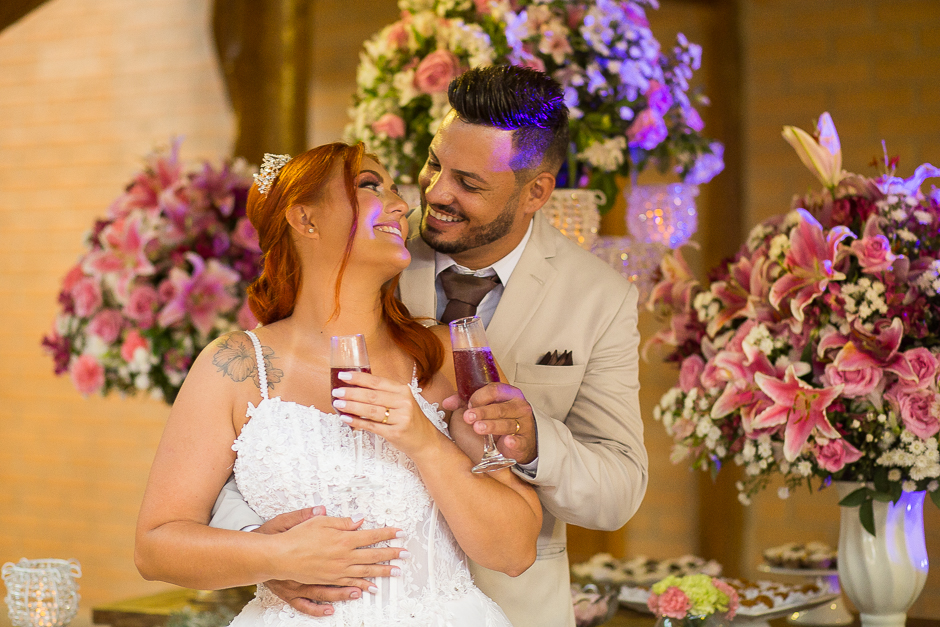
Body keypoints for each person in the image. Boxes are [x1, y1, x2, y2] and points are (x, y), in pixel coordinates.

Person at [212, 65, 649, 627]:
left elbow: (618, 491)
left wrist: (534, 438)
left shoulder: (599, 298)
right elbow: (250, 429)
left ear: (535, 191)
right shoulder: (364, 249)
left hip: (513, 606)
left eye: (469, 183)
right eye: (435, 163)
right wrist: (265, 551)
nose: (435, 193)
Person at [135, 142, 543, 626]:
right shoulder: (235, 366)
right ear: (305, 220)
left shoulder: (448, 358)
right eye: (371, 186)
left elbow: (515, 552)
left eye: (395, 190)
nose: (401, 204)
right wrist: (275, 557)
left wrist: (425, 442)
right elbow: (156, 545)